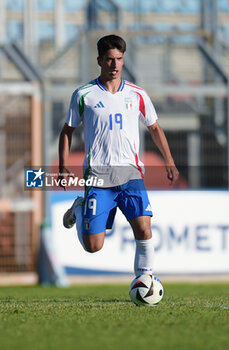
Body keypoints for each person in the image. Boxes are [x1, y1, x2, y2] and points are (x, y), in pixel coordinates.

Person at [58, 34, 179, 277]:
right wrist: (62, 165)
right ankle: (79, 209)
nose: (115, 65)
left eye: (119, 59)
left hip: (130, 174)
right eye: (110, 59)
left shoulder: (137, 94)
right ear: (100, 60)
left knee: (144, 230)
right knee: (94, 247)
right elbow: (67, 131)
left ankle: (144, 282)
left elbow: (154, 127)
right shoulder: (84, 95)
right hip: (99, 176)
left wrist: (169, 160)